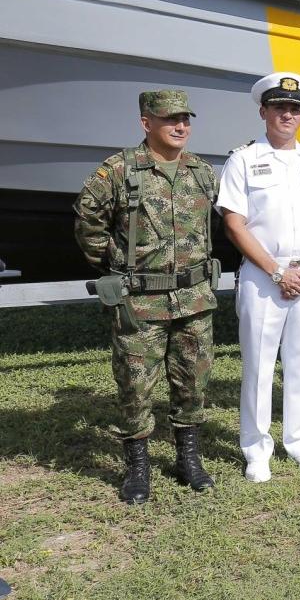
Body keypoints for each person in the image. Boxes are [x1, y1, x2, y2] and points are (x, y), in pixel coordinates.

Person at [73, 90, 219, 504]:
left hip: (194, 299)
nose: (180, 126)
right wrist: (114, 266)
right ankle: (138, 468)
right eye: (170, 119)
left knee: (193, 382)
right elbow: (88, 220)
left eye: (185, 119)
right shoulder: (118, 171)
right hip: (140, 302)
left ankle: (188, 459)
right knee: (135, 387)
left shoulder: (202, 172)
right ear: (146, 123)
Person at [217, 72, 300, 482]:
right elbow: (234, 224)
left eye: (294, 108)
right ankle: (256, 449)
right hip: (263, 275)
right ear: (263, 112)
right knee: (258, 365)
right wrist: (276, 271)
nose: (287, 114)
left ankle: (299, 439)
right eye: (279, 107)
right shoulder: (243, 159)